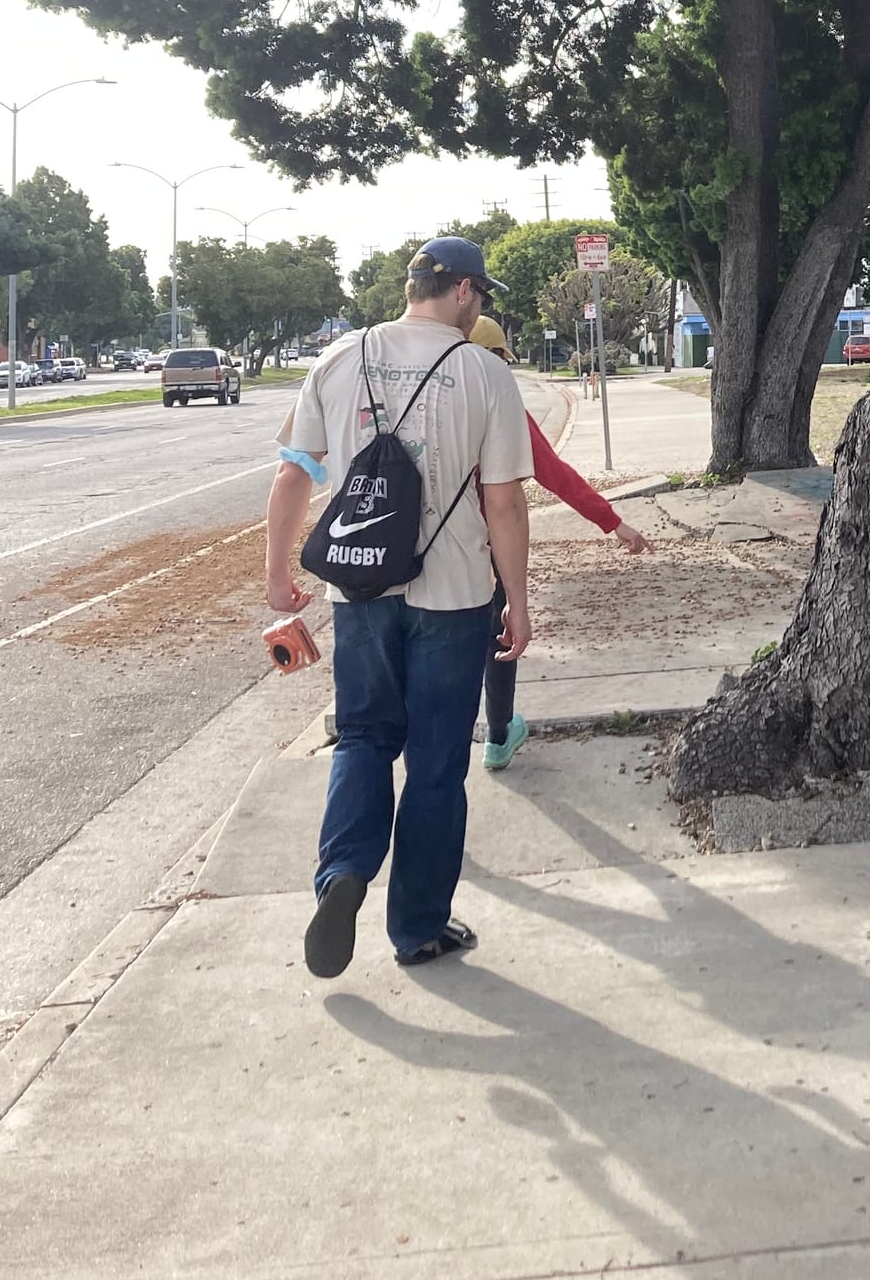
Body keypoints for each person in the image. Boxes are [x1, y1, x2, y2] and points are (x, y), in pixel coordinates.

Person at [265, 236, 534, 979]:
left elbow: (293, 478)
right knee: (437, 764)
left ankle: (344, 871)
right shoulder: (483, 371)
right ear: (466, 293)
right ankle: (417, 925)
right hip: (453, 597)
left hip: (358, 589)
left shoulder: (337, 358)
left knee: (362, 737)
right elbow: (504, 502)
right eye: (480, 295)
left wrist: (276, 577)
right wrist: (517, 598)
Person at [466, 313, 651, 769]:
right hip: (487, 550)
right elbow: (555, 475)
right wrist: (613, 522)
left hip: (430, 553)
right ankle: (498, 736)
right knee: (500, 638)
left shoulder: (424, 400)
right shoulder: (502, 407)